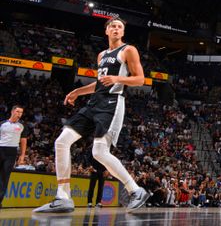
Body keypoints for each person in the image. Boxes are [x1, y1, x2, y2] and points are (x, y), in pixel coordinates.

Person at [33, 18, 150, 213]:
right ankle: (63, 197)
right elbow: (99, 83)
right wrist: (78, 92)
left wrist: (118, 78)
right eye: (112, 26)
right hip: (94, 102)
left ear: (123, 32)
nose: (116, 28)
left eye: (120, 27)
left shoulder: (128, 50)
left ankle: (135, 190)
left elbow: (140, 79)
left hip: (112, 103)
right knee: (61, 142)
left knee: (99, 152)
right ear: (106, 31)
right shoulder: (101, 55)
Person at [0, 105, 29, 208]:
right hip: (1, 148)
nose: (19, 114)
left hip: (12, 152)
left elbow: (23, 141)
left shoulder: (22, 126)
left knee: (4, 177)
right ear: (12, 111)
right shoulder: (2, 124)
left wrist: (22, 155)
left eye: (21, 112)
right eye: (17, 111)